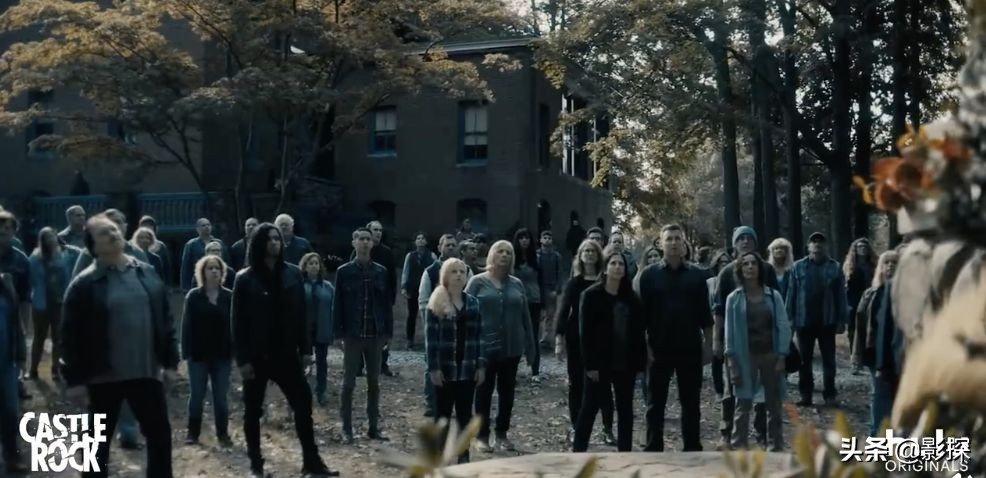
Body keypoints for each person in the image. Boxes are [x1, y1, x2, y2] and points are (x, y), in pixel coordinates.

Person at [60, 214, 179, 478]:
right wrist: (75, 381)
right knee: (95, 448)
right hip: (102, 378)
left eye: (114, 229)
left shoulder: (146, 272)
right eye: (104, 233)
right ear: (93, 246)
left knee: (160, 438)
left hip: (145, 374)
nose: (113, 234)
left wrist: (171, 363)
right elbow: (69, 336)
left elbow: (165, 320)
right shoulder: (84, 284)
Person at [231, 222, 337, 477]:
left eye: (277, 239)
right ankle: (256, 466)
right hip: (257, 355)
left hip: (286, 354)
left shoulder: (292, 273)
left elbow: (302, 315)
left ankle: (312, 462)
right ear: (259, 243)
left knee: (303, 404)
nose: (274, 243)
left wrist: (306, 349)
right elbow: (237, 322)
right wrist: (242, 360)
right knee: (252, 412)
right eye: (269, 239)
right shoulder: (245, 278)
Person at [636, 224, 712, 452]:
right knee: (655, 403)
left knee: (691, 402)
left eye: (678, 238)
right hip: (659, 348)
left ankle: (692, 448)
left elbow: (705, 315)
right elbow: (641, 317)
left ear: (684, 243)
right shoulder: (649, 275)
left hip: (690, 347)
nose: (673, 243)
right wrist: (644, 348)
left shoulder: (697, 275)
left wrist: (709, 345)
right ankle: (653, 448)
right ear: (661, 243)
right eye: (669, 239)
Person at [572, 246, 646, 452]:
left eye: (621, 264)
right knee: (589, 408)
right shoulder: (591, 295)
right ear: (605, 268)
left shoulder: (632, 298)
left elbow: (639, 333)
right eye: (613, 263)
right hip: (599, 363)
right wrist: (590, 365)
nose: (617, 267)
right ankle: (578, 452)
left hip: (625, 363)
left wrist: (640, 365)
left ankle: (625, 453)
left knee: (625, 410)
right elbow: (585, 333)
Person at [467, 240, 536, 453]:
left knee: (507, 393)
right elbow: (465, 315)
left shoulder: (517, 284)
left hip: (512, 348)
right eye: (500, 251)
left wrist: (531, 347)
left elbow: (526, 317)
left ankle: (502, 434)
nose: (504, 255)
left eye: (508, 252)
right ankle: (482, 436)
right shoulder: (477, 282)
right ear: (492, 255)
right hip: (484, 349)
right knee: (483, 393)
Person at [712, 226, 777, 450]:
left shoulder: (767, 270)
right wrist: (717, 340)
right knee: (732, 390)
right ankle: (726, 434)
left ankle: (761, 436)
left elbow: (777, 303)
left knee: (762, 393)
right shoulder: (726, 273)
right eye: (741, 238)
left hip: (764, 342)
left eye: (750, 238)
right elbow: (718, 310)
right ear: (734, 244)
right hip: (736, 343)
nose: (746, 241)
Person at [724, 252, 791, 451]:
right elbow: (729, 333)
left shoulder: (773, 296)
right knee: (743, 402)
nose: (750, 267)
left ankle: (775, 446)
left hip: (770, 355)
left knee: (774, 403)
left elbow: (783, 326)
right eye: (745, 264)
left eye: (754, 263)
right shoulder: (734, 299)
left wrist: (782, 355)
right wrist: (732, 362)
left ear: (760, 268)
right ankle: (739, 446)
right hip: (745, 357)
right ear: (740, 269)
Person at [554, 239, 617, 446]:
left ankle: (608, 429)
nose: (589, 254)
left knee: (605, 387)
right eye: (585, 251)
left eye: (592, 251)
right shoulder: (574, 283)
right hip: (577, 340)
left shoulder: (607, 281)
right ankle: (576, 427)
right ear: (580, 256)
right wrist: (559, 339)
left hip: (603, 341)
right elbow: (564, 311)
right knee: (577, 385)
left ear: (598, 255)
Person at [334, 227, 393, 445]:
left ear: (372, 243)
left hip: (375, 334)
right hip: (353, 334)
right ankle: (346, 428)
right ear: (354, 242)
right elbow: (337, 304)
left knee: (374, 383)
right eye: (361, 239)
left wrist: (388, 333)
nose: (365, 242)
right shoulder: (344, 272)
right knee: (348, 383)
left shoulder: (381, 271)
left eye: (368, 239)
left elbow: (386, 304)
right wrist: (338, 333)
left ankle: (373, 427)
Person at [425, 258, 485, 464]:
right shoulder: (436, 301)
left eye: (462, 271)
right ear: (445, 275)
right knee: (442, 416)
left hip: (467, 368)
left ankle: (463, 457)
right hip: (445, 369)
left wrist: (481, 365)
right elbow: (431, 340)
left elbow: (480, 337)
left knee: (464, 416)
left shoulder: (474, 303)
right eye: (454, 271)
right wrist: (433, 368)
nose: (458, 275)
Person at [787, 232, 849, 407]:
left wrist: (842, 319)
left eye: (820, 242)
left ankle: (830, 395)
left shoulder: (834, 267)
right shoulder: (797, 267)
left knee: (829, 361)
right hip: (803, 321)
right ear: (809, 246)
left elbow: (841, 295)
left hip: (827, 321)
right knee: (804, 361)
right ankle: (806, 395)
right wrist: (788, 318)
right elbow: (791, 293)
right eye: (814, 242)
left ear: (825, 246)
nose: (817, 245)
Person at [181, 255, 233, 447]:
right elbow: (186, 326)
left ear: (222, 272)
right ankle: (193, 433)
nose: (214, 271)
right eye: (210, 268)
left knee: (221, 396)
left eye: (217, 268)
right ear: (202, 272)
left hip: (222, 354)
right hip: (198, 354)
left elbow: (237, 325)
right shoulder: (194, 296)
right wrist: (185, 353)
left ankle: (223, 434)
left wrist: (237, 352)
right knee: (197, 395)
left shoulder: (229, 296)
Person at [852, 250, 903, 436]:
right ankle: (877, 437)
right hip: (875, 352)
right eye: (886, 263)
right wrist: (856, 354)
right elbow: (860, 326)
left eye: (894, 263)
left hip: (900, 353)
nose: (890, 267)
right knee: (879, 395)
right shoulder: (870, 294)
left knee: (898, 396)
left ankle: (898, 437)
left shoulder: (906, 294)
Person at [419, 234, 470, 417]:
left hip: (461, 326)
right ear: (439, 247)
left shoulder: (465, 270)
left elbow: (471, 295)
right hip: (437, 326)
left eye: (453, 245)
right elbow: (423, 300)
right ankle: (431, 402)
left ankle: (458, 404)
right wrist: (429, 323)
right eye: (447, 244)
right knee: (432, 364)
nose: (450, 247)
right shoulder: (431, 271)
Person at [27, 227, 79, 381]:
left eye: (52, 236)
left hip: (60, 302)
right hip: (41, 303)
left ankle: (56, 370)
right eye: (47, 237)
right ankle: (33, 369)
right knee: (39, 337)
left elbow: (80, 255)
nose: (50, 239)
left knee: (58, 338)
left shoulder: (66, 254)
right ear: (42, 240)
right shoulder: (35, 257)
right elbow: (32, 279)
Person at [0, 209, 28, 474]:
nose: (2, 232)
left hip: (6, 351)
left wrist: (22, 347)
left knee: (9, 407)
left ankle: (11, 455)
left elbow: (23, 306)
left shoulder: (20, 261)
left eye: (7, 228)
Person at [353, 220, 397, 377]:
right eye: (375, 230)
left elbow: (392, 278)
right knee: (360, 330)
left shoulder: (387, 253)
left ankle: (382, 364)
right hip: (362, 299)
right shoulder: (359, 251)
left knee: (382, 331)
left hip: (381, 298)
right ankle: (358, 365)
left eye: (380, 230)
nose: (378, 233)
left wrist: (391, 298)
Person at [300, 252, 335, 407]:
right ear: (305, 267)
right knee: (303, 362)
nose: (314, 266)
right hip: (304, 330)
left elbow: (334, 308)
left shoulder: (327, 287)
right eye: (311, 263)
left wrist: (334, 329)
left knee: (322, 362)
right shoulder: (300, 286)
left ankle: (321, 391)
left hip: (322, 327)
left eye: (316, 263)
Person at [513, 228, 544, 385]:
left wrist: (544, 303)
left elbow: (542, 281)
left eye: (527, 238)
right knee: (515, 336)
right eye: (521, 238)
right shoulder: (512, 258)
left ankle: (535, 371)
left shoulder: (537, 258)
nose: (524, 240)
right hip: (516, 301)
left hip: (533, 300)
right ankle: (512, 371)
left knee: (533, 336)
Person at [844, 238, 879, 373]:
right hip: (853, 301)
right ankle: (855, 361)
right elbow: (844, 286)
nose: (862, 249)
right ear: (855, 249)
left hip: (870, 300)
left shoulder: (874, 265)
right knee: (853, 332)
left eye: (864, 247)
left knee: (870, 329)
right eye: (859, 247)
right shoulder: (849, 265)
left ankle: (868, 359)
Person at [401, 232, 437, 349]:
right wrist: (404, 287)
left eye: (423, 238)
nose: (420, 240)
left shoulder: (431, 255)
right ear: (415, 241)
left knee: (429, 314)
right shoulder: (410, 256)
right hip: (413, 288)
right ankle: (410, 339)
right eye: (418, 238)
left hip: (427, 289)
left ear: (426, 242)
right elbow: (406, 271)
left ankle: (429, 337)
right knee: (411, 315)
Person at [707, 250, 733, 401]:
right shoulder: (710, 282)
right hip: (714, 320)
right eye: (721, 262)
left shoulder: (732, 280)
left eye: (726, 262)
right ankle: (719, 390)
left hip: (730, 320)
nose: (724, 264)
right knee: (717, 356)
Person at [180, 218, 227, 291]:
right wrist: (185, 288)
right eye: (203, 225)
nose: (207, 227)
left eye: (208, 225)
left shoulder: (219, 243)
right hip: (198, 282)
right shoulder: (191, 245)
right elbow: (186, 267)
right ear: (197, 229)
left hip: (219, 281)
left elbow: (226, 262)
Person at [537, 230, 563, 346]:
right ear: (540, 240)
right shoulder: (536, 255)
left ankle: (546, 338)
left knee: (550, 314)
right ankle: (536, 336)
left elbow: (559, 273)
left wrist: (557, 289)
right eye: (545, 238)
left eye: (549, 238)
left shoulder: (556, 256)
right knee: (538, 314)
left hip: (551, 288)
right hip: (538, 288)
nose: (547, 240)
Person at [137, 216, 172, 285]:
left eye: (150, 225)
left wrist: (167, 286)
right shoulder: (133, 245)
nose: (147, 228)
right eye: (144, 225)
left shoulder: (160, 246)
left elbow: (166, 269)